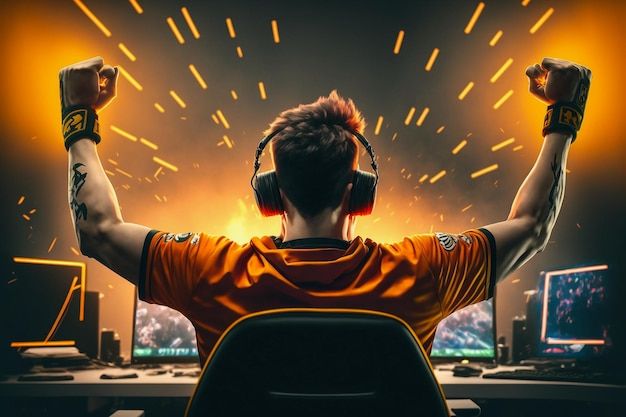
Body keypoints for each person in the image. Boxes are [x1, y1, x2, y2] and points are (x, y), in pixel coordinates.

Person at [59, 56, 591, 364]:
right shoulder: (423, 272)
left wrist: (79, 115)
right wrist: (562, 117)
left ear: (269, 195)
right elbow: (532, 224)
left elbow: (98, 230)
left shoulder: (209, 272)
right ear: (360, 192)